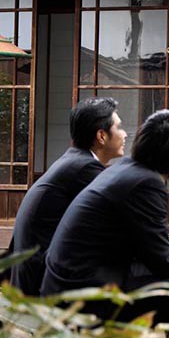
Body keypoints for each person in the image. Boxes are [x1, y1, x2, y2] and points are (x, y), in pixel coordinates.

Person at [40, 111, 169, 338]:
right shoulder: (146, 183)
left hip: (73, 284)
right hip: (86, 295)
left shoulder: (126, 170)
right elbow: (163, 262)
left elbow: (148, 248)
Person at [9, 97, 124, 295]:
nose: (125, 134)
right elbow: (121, 222)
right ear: (101, 136)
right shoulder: (85, 168)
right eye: (119, 127)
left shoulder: (75, 161)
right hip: (44, 284)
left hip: (32, 275)